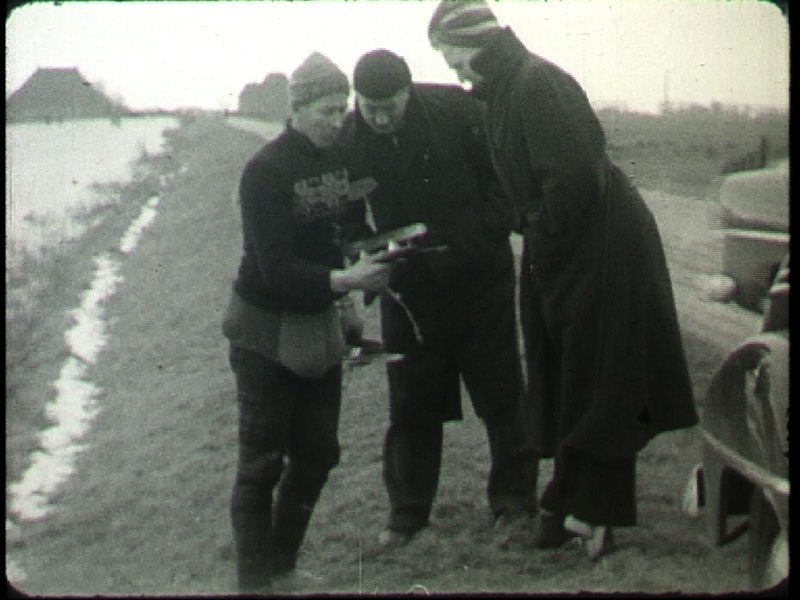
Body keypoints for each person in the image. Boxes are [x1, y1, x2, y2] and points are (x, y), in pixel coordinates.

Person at [428, 0, 699, 560]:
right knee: (570, 379)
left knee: (599, 381)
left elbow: (572, 183)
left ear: (477, 44)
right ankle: (568, 509)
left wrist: (534, 231)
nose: (452, 69)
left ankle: (590, 517)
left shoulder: (536, 85)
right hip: (563, 248)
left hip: (601, 249)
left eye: (452, 56)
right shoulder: (504, 90)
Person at [337, 48, 539, 547]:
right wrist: (368, 257)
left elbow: (507, 189)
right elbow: (343, 217)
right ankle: (407, 515)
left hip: (479, 278)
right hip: (407, 289)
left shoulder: (459, 111)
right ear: (357, 100)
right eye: (370, 108)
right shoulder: (347, 139)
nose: (381, 119)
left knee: (501, 394)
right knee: (411, 404)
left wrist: (460, 237)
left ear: (409, 92)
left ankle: (514, 501)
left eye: (391, 107)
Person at [222, 52, 391, 592]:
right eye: (325, 109)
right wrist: (347, 283)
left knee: (318, 455)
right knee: (261, 464)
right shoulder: (265, 171)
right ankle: (254, 583)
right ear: (296, 109)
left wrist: (381, 251)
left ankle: (282, 565)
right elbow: (274, 268)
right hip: (264, 332)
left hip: (318, 327)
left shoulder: (340, 159)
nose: (337, 119)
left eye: (342, 109)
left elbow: (351, 224)